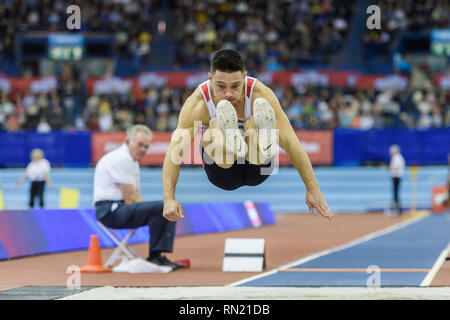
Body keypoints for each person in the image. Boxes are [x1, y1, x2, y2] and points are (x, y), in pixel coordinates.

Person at [162, 49, 333, 222]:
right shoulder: (198, 103)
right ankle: (231, 140)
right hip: (223, 169)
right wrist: (169, 198)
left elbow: (290, 143)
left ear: (244, 77)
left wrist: (313, 188)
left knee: (252, 123)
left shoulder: (261, 95)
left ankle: (249, 136)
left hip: (257, 163)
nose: (228, 94)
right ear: (210, 79)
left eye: (235, 86)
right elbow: (175, 152)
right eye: (221, 86)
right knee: (214, 127)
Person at [93, 124, 183, 272]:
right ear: (128, 141)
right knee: (162, 207)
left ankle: (157, 255)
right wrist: (156, 210)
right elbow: (130, 198)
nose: (143, 150)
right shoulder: (122, 159)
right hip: (109, 211)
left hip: (118, 207)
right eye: (139, 145)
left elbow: (136, 196)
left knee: (162, 208)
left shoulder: (131, 160)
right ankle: (155, 256)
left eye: (146, 147)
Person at [389, 145, 405, 215]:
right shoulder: (396, 157)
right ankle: (397, 209)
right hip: (395, 176)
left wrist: (390, 168)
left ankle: (397, 210)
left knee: (396, 194)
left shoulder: (397, 157)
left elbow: (396, 167)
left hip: (397, 176)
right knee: (395, 194)